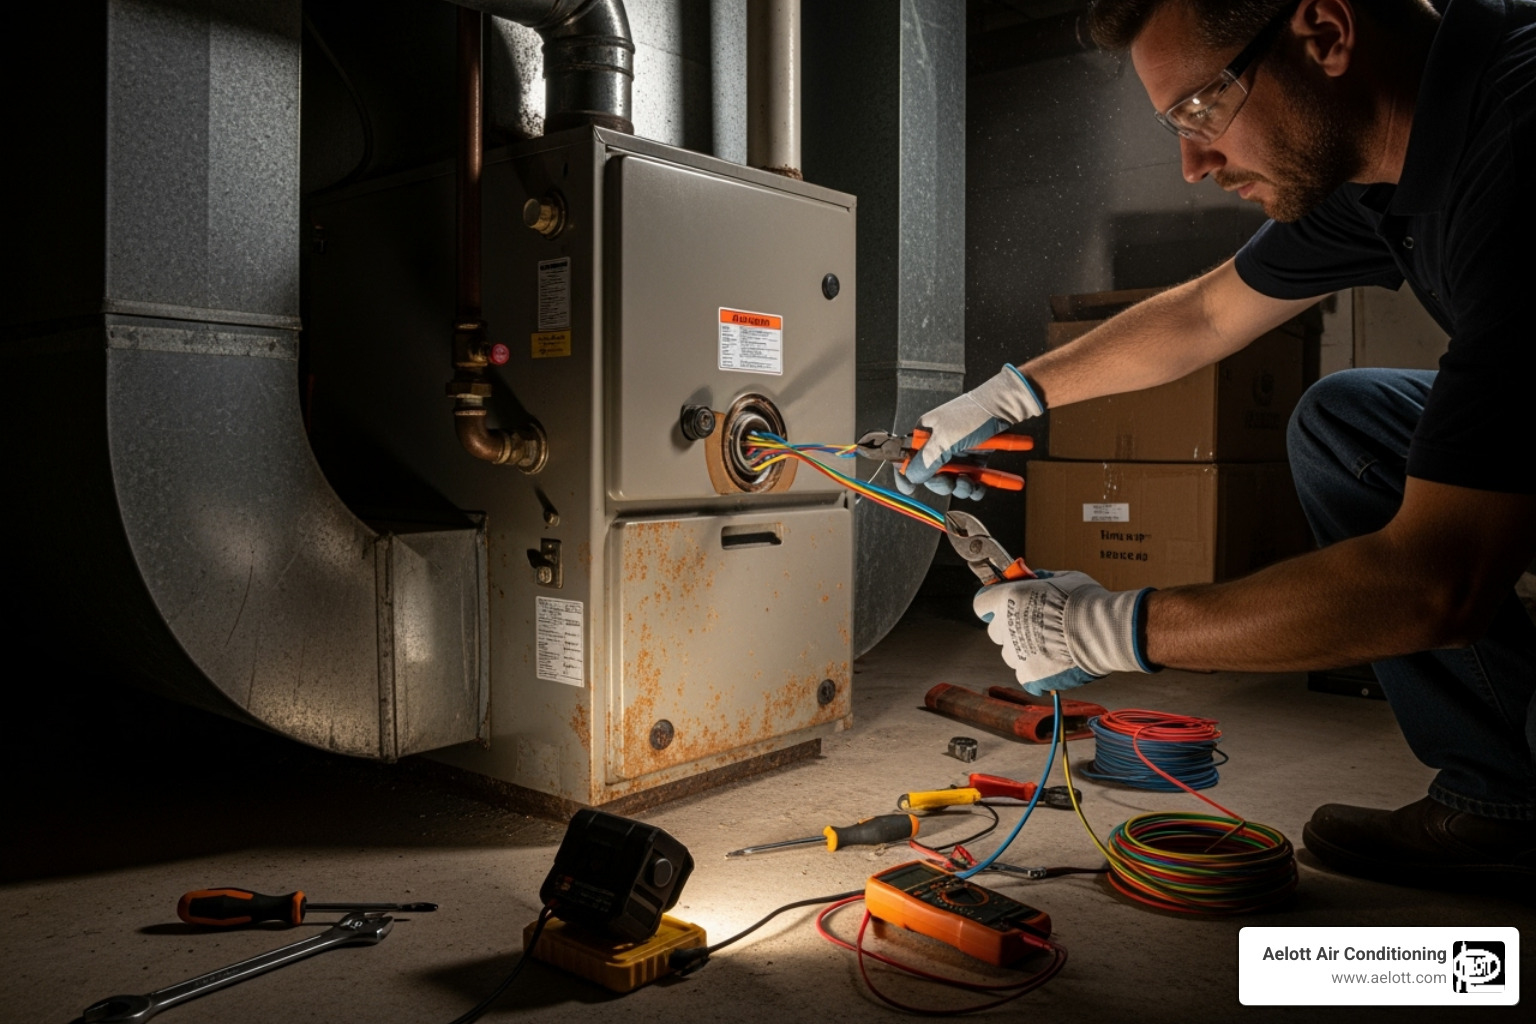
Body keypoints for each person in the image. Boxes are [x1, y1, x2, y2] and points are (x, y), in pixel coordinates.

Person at [902, 0, 1536, 890]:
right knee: (1348, 421)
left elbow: (1435, 583)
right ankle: (1502, 804)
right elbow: (1205, 313)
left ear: (1325, 33)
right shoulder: (1383, 163)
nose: (1194, 164)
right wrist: (1011, 396)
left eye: (1202, 110)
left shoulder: (1517, 152)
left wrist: (1104, 627)